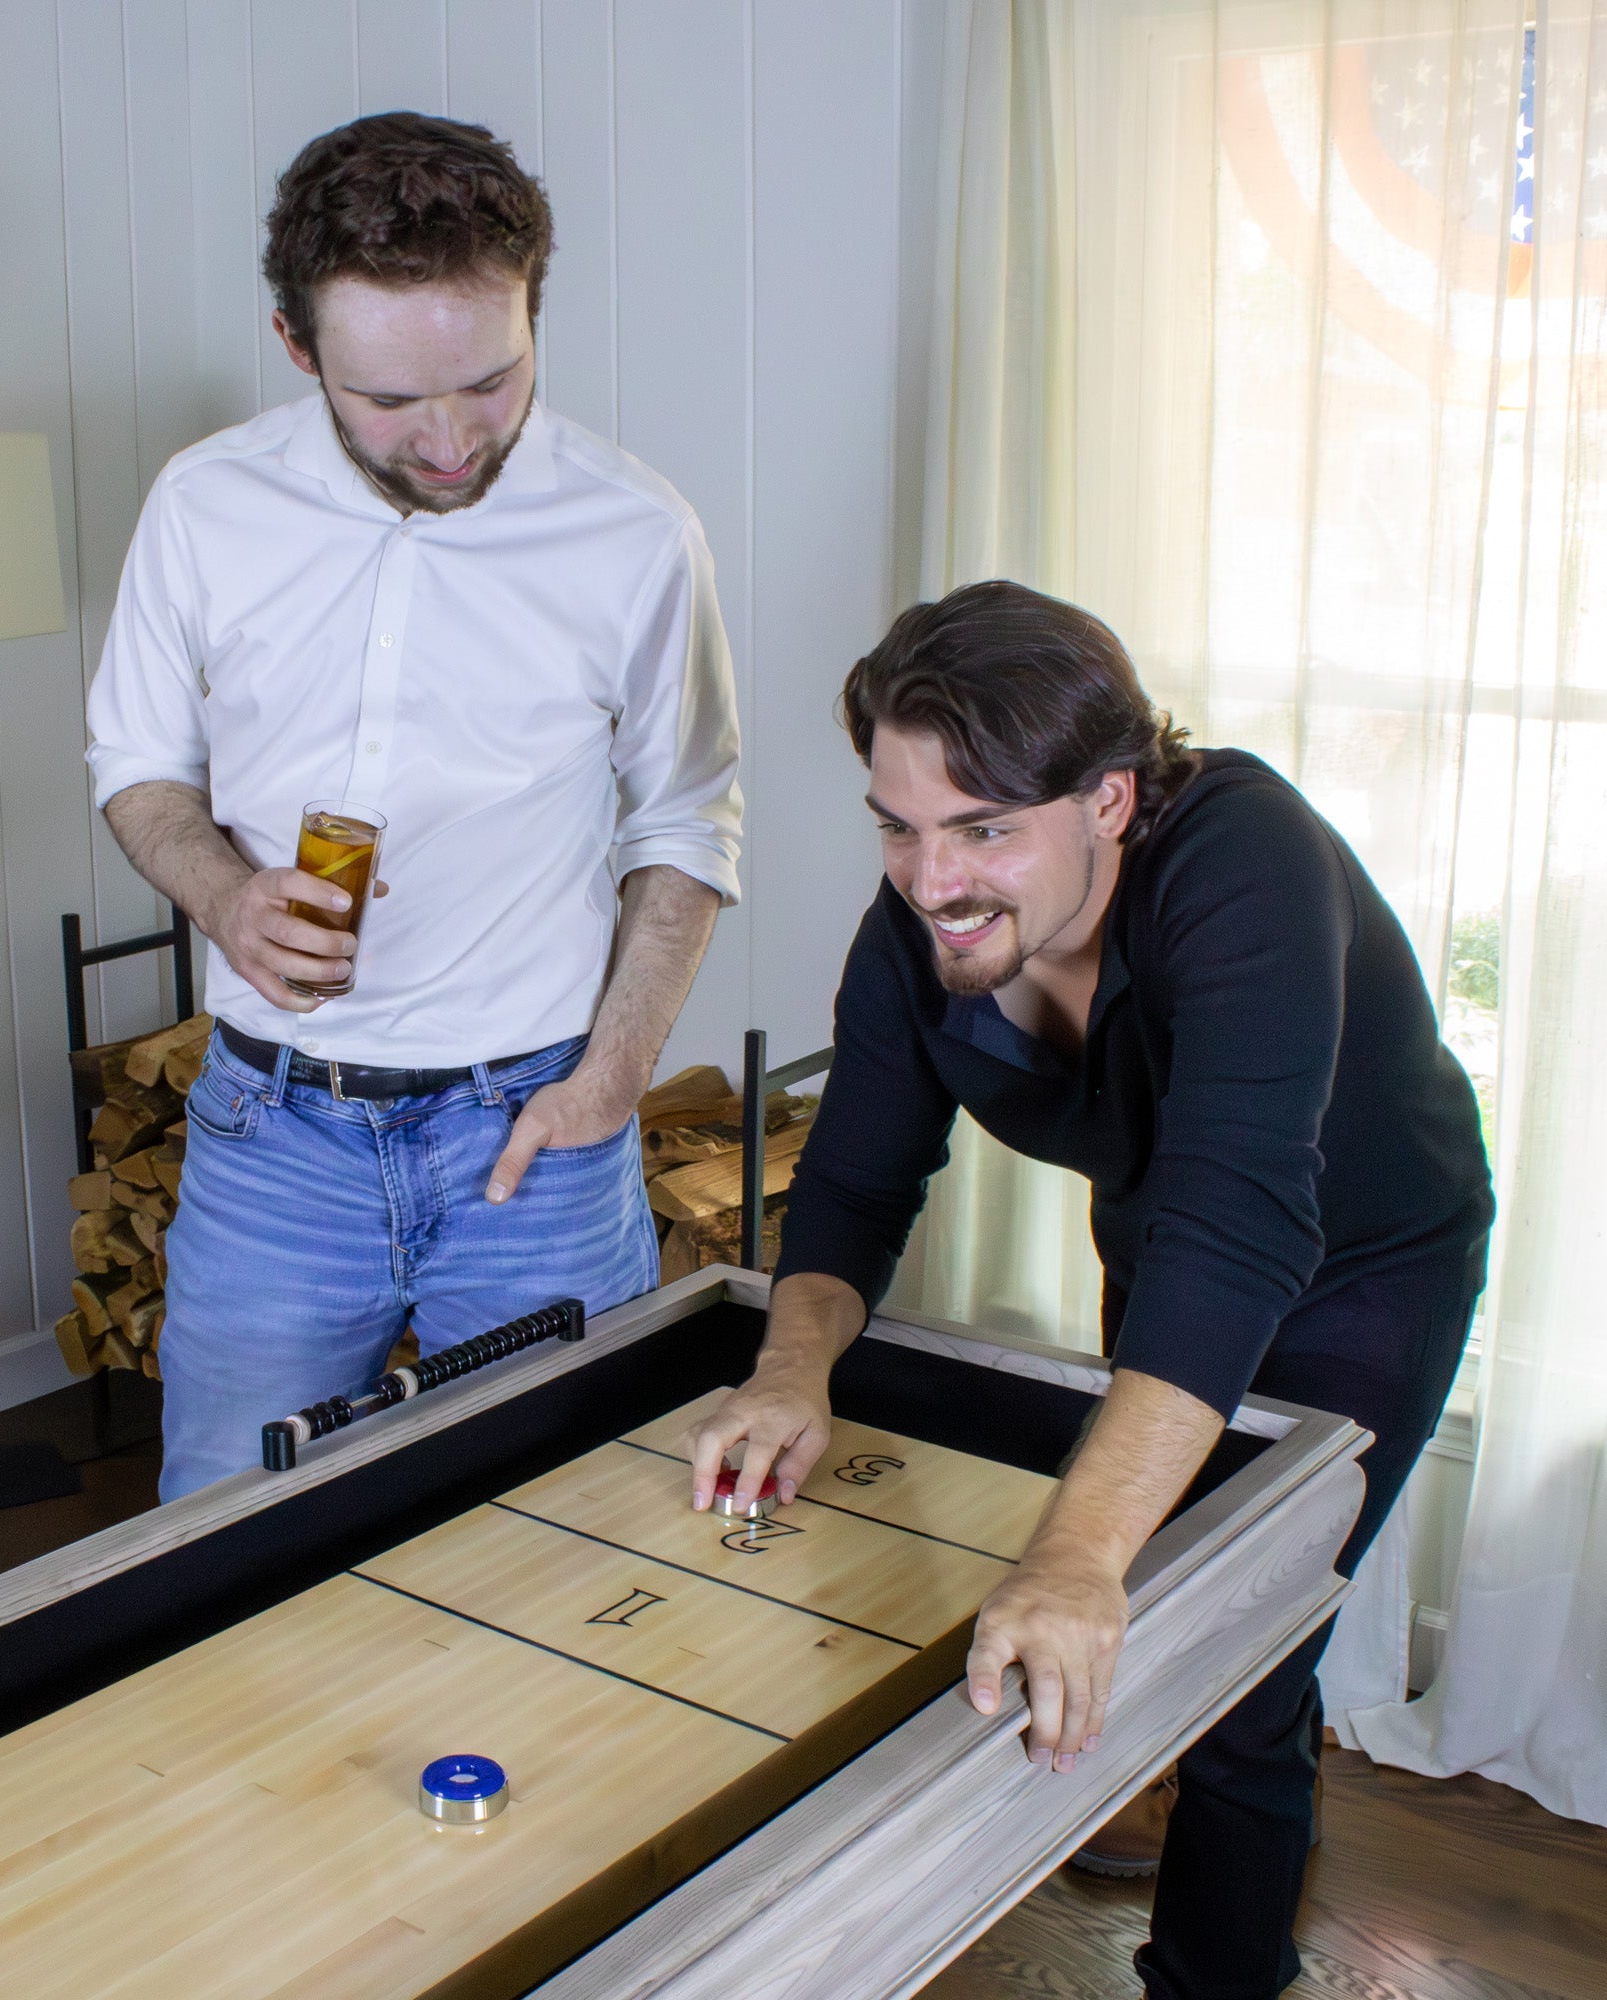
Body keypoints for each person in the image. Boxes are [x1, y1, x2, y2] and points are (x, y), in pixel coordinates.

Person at [687, 581, 1492, 2000]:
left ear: (1110, 800)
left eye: (984, 829)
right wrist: (789, 1370)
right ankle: (1214, 1780)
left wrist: (1073, 1560)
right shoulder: (923, 923)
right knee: (1182, 1596)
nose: (932, 880)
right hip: (1170, 1246)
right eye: (898, 827)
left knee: (1240, 1651)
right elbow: (857, 1184)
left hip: (1370, 1263)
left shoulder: (1247, 859)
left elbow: (1243, 1225)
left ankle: (1221, 1967)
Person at [89, 112, 742, 1502]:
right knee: (229, 1537)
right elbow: (137, 764)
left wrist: (616, 1077)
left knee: (570, 1535)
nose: (449, 441)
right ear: (295, 345)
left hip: (541, 1135)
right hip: (274, 1142)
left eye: (492, 381)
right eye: (391, 400)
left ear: (534, 312)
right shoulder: (202, 506)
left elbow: (688, 821)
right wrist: (224, 895)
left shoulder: (637, 531)